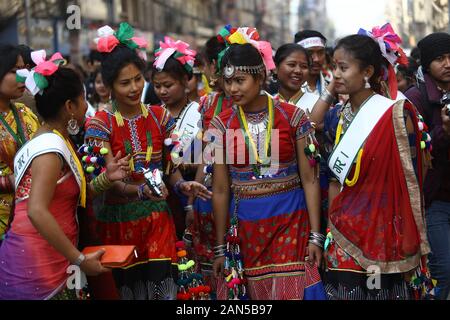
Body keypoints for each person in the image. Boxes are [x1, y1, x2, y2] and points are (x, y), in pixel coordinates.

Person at [85, 23, 211, 300]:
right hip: (118, 224)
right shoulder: (100, 124)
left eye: (137, 80)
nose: (133, 88)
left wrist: (182, 186)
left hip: (157, 220)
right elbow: (112, 181)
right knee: (129, 290)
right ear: (109, 86)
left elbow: (170, 169)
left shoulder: (159, 116)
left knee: (163, 289)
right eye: (124, 83)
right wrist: (138, 190)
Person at [0, 50, 130, 299]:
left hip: (54, 260)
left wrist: (107, 178)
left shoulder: (57, 139)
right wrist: (79, 260)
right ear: (70, 106)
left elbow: (72, 197)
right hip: (35, 268)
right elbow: (36, 210)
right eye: (83, 99)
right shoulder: (50, 149)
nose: (86, 107)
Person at [211, 28, 326, 300]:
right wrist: (218, 248)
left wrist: (315, 236)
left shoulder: (292, 117)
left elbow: (310, 179)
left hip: (291, 223)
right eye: (228, 82)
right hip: (246, 231)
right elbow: (219, 189)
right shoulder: (220, 125)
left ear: (260, 76)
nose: (232, 89)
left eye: (240, 80)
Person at [322, 29, 431, 300]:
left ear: (368, 71)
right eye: (334, 66)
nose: (336, 74)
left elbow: (413, 175)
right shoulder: (336, 115)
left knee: (380, 292)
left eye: (343, 67)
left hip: (384, 229)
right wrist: (330, 227)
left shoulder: (395, 115)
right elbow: (335, 179)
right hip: (343, 229)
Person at [405, 32, 450, 300]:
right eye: (440, 59)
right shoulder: (415, 98)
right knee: (444, 270)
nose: (447, 64)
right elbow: (416, 152)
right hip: (435, 201)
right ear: (426, 65)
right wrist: (444, 131)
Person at [151, 36, 202, 239]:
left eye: (168, 85)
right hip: (161, 194)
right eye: (157, 86)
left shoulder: (200, 113)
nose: (162, 91)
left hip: (191, 192)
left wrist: (191, 202)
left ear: (185, 81)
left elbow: (203, 161)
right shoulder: (153, 114)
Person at [0, 44, 40, 242]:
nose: (23, 76)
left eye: (24, 69)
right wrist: (10, 181)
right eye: (15, 71)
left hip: (30, 218)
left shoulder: (25, 113)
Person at [294, 30, 329, 96]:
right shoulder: (286, 89)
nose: (316, 59)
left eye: (320, 52)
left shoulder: (333, 90)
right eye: (309, 53)